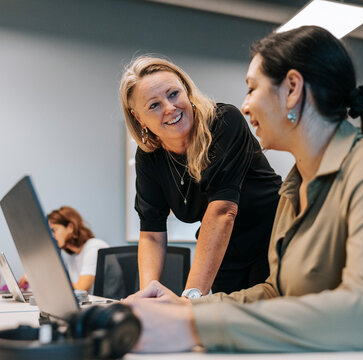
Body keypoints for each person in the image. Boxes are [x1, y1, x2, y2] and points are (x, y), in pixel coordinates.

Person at [123, 26, 363, 359]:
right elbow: (278, 292)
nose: (244, 107)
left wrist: (196, 324)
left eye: (252, 89)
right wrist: (184, 309)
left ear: (291, 89)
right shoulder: (293, 189)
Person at [120, 55, 282, 296]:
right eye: (154, 105)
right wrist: (148, 296)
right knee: (220, 328)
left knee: (260, 325)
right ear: (138, 117)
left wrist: (189, 300)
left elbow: (222, 211)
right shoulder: (150, 157)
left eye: (173, 94)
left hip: (273, 240)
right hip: (228, 251)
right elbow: (152, 233)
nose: (170, 108)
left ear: (186, 91)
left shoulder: (223, 122)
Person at [19, 206, 122, 297]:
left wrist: (40, 279)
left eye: (54, 230)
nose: (52, 236)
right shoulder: (72, 256)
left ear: (70, 227)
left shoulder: (94, 247)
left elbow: (81, 289)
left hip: (106, 309)